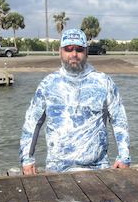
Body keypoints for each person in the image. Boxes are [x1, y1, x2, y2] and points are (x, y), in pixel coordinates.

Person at [19, 28, 130, 174]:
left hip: (97, 167)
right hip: (56, 168)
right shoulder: (48, 84)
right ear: (60, 51)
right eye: (68, 49)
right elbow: (32, 123)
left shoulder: (103, 82)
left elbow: (119, 120)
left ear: (86, 52)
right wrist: (27, 159)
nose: (73, 54)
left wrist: (124, 156)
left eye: (79, 49)